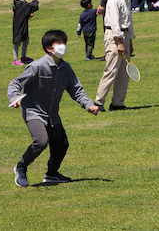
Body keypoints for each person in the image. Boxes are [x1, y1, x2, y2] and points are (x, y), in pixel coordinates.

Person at [8, 29, 100, 187]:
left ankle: (51, 174)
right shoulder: (37, 66)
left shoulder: (65, 68)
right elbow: (15, 83)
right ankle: (21, 167)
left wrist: (88, 105)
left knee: (61, 145)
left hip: (52, 114)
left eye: (64, 43)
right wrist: (15, 98)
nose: (63, 46)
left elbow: (76, 90)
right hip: (33, 111)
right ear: (49, 48)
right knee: (41, 141)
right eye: (59, 43)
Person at [95, 0, 136, 111]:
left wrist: (129, 42)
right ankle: (99, 102)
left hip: (125, 36)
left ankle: (117, 103)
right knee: (111, 70)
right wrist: (119, 42)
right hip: (114, 36)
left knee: (124, 73)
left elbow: (128, 21)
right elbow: (114, 22)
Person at [12, 0, 39, 66]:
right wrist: (35, 1)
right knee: (17, 42)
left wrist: (28, 15)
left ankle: (23, 57)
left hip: (23, 25)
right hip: (19, 26)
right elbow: (30, 6)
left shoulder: (20, 3)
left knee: (25, 40)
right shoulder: (20, 4)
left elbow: (24, 12)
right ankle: (15, 60)